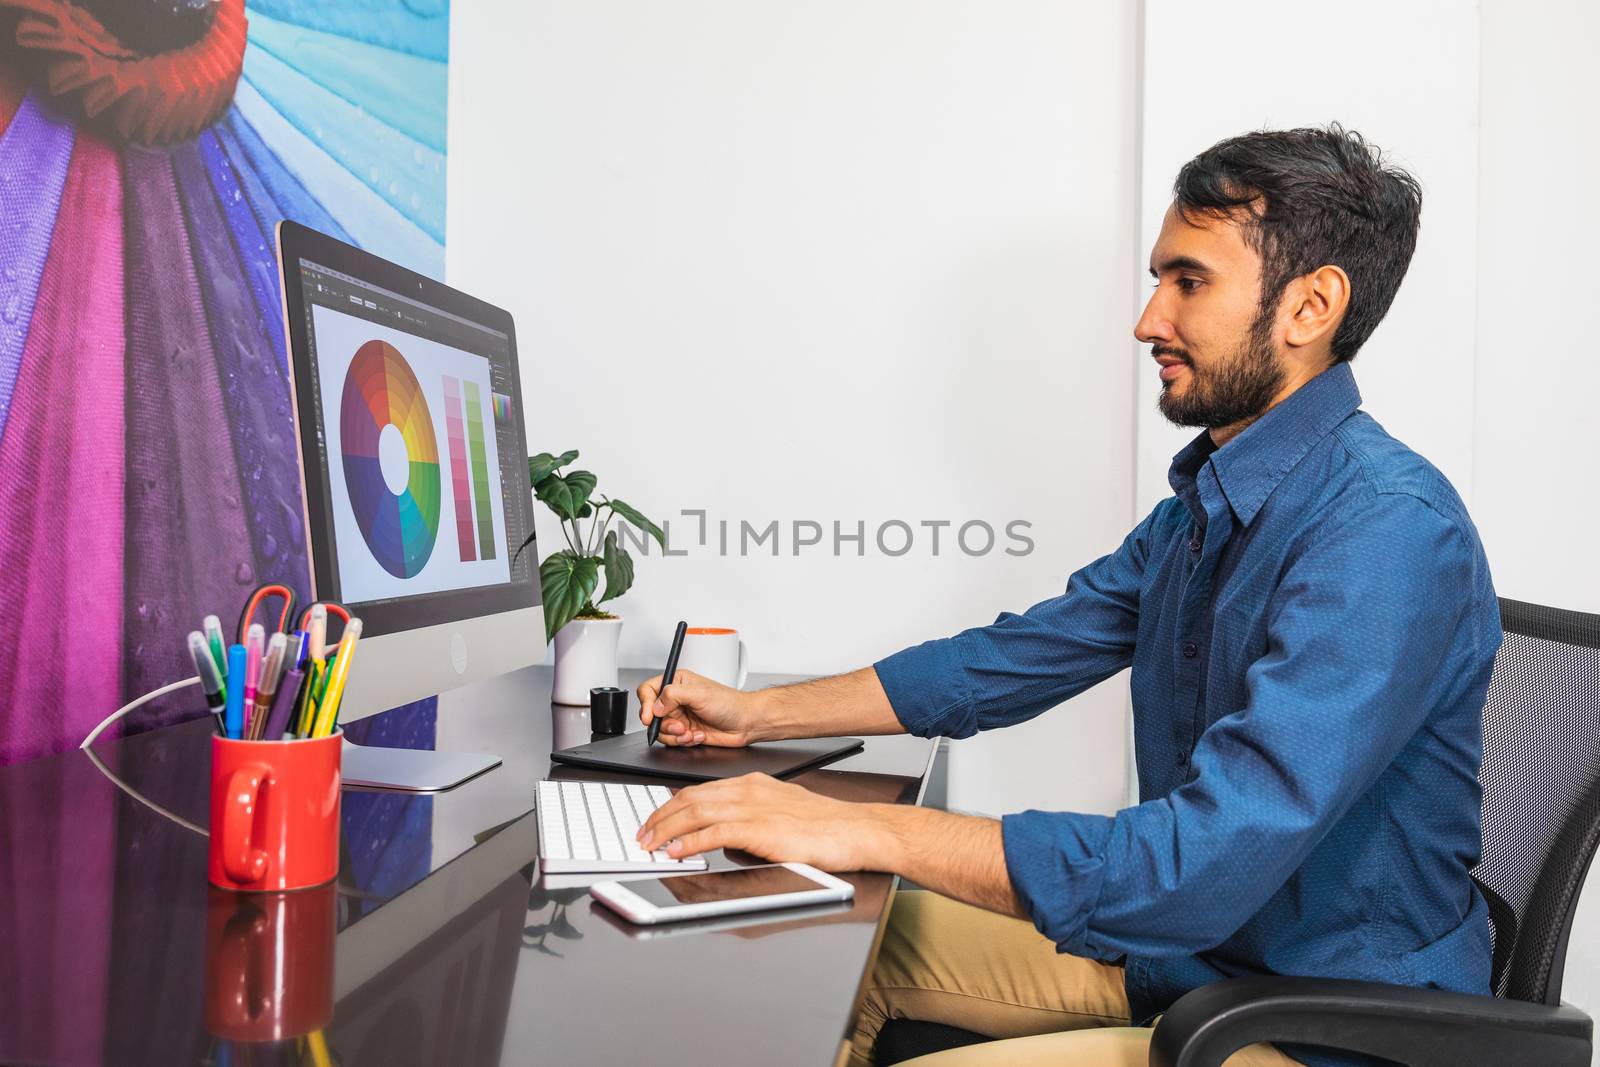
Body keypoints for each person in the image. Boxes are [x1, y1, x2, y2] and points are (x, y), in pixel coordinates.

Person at [633, 125, 1500, 1067]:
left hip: (1320, 1028)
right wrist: (757, 715)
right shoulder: (1215, 499)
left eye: (1188, 280)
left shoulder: (1387, 532)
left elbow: (1193, 866)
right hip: (1198, 964)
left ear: (1310, 305)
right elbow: (1014, 658)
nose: (1147, 320)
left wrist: (860, 826)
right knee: (819, 941)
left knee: (849, 889)